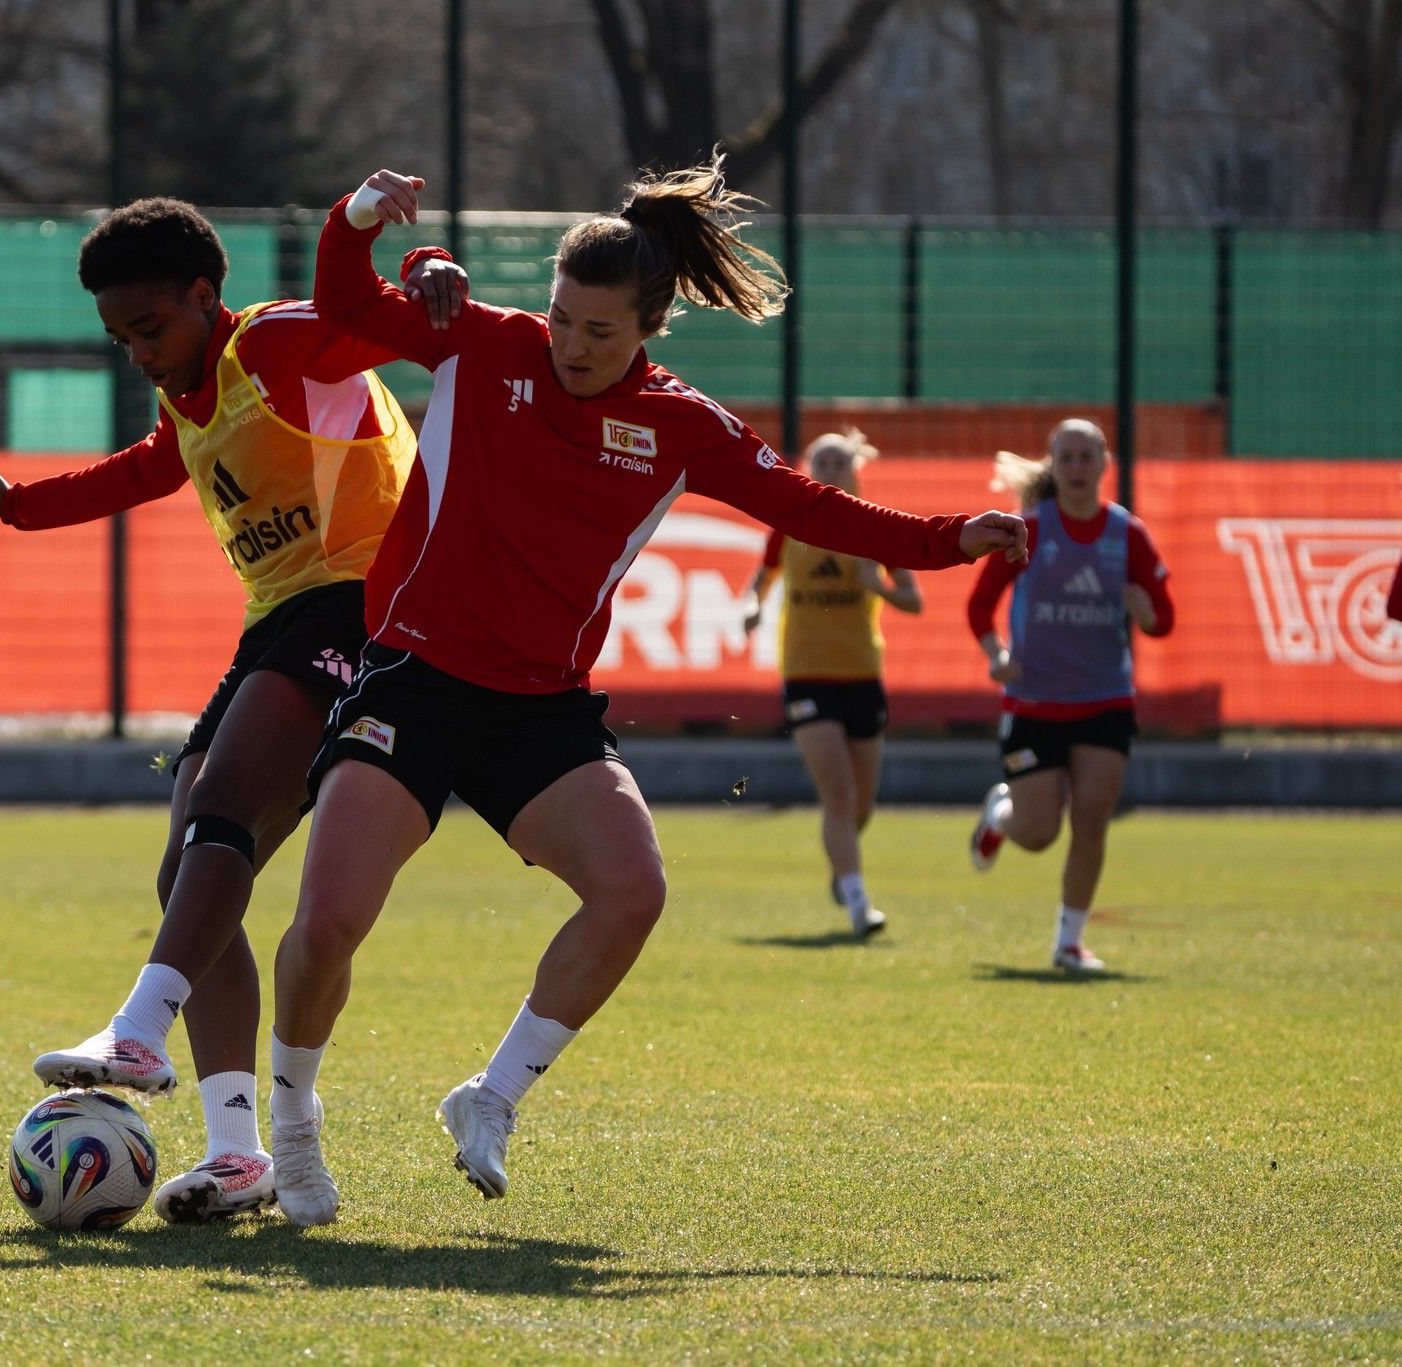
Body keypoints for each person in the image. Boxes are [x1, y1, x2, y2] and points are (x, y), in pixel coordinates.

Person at [262, 163, 1028, 1227]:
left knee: (633, 888)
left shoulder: (680, 423)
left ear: (651, 329)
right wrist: (355, 217)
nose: (573, 345)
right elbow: (345, 305)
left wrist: (950, 540)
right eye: (563, 318)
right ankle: (290, 1126)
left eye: (601, 332)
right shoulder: (489, 343)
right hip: (416, 675)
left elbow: (809, 504)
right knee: (325, 922)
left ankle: (490, 1099)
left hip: (540, 706)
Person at [0, 197, 465, 1222]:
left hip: (368, 601)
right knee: (188, 860)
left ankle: (138, 1028)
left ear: (203, 295)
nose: (138, 353)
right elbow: (141, 470)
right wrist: (19, 504)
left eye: (150, 328)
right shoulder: (192, 398)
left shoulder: (271, 343)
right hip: (280, 618)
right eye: (119, 338)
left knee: (220, 803)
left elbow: (373, 313)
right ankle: (238, 1154)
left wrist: (424, 253)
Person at [964, 418, 1175, 974]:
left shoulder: (1126, 534)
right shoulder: (1030, 528)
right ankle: (1000, 816)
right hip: (1033, 703)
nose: (1079, 469)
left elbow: (1164, 619)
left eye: (1088, 458)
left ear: (1105, 465)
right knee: (1038, 832)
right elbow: (978, 606)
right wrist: (997, 656)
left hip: (1105, 700)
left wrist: (1146, 613)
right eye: (1068, 458)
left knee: (1091, 820)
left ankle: (1070, 943)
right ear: (1053, 466)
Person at [742, 429, 922, 936]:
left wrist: (878, 587)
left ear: (856, 471)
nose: (832, 469)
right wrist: (753, 609)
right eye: (822, 460)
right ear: (808, 468)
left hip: (862, 675)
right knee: (838, 793)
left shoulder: (878, 526)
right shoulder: (789, 524)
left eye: (841, 461)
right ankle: (860, 904)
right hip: (806, 676)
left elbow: (914, 600)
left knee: (860, 805)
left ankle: (841, 872)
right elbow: (762, 579)